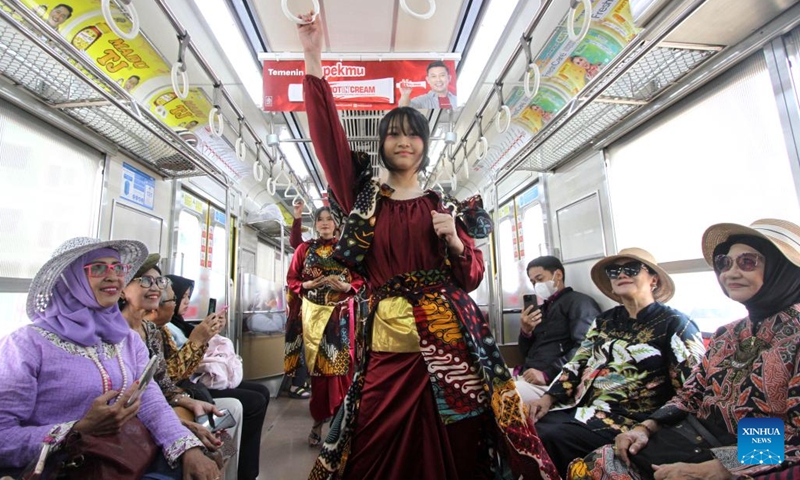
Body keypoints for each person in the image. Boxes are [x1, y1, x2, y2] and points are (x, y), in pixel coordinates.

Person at [298, 12, 557, 479]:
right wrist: (313, 55)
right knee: (372, 439)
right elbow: (326, 135)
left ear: (425, 143)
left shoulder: (447, 206)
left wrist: (456, 242)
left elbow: (472, 278)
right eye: (393, 133)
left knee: (456, 441)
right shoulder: (360, 198)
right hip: (386, 344)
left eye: (413, 133)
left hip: (449, 341)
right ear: (381, 144)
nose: (404, 141)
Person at [569, 219, 800, 480]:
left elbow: (795, 434)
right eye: (725, 263)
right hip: (693, 436)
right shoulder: (728, 333)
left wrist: (718, 469)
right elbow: (690, 394)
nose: (730, 273)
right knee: (594, 466)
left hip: (746, 454)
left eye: (748, 262)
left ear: (783, 269)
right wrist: (645, 427)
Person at [0, 237, 218, 479]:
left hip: (127, 457)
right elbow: (4, 435)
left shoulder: (126, 339)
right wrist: (76, 430)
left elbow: (150, 401)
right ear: (71, 280)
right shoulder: (26, 345)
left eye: (118, 267)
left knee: (215, 456)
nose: (113, 276)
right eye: (98, 268)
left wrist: (187, 448)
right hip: (63, 469)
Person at [527, 248, 705, 478]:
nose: (621, 274)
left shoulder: (675, 323)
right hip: (582, 408)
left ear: (653, 279)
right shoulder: (605, 321)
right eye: (614, 271)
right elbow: (577, 362)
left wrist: (650, 425)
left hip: (629, 420)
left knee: (549, 434)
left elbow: (691, 389)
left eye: (631, 269)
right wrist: (548, 398)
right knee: (526, 422)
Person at [119, 254, 236, 470]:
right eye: (145, 281)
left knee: (223, 445)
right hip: (138, 414)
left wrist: (187, 401)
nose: (155, 287)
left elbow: (163, 384)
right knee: (209, 449)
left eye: (159, 281)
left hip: (165, 402)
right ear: (122, 289)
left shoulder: (151, 331)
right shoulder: (115, 333)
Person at [166, 273, 270, 480]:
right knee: (244, 404)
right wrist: (197, 342)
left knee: (259, 393)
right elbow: (170, 377)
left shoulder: (173, 326)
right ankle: (239, 470)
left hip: (189, 389)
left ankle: (241, 468)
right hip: (188, 391)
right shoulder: (158, 331)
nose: (186, 302)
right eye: (180, 298)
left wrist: (205, 336)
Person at [149, 280, 244, 480]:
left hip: (182, 396)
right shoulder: (143, 334)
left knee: (225, 437)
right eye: (176, 299)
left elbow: (164, 382)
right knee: (224, 426)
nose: (179, 304)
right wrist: (197, 341)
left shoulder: (161, 330)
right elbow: (165, 380)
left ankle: (232, 472)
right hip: (173, 402)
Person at [285, 206, 364, 447]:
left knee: (344, 371)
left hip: (340, 318)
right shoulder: (304, 249)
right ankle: (318, 422)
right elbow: (292, 280)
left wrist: (347, 287)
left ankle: (340, 424)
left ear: (337, 224)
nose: (325, 223)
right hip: (313, 317)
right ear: (315, 223)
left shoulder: (347, 250)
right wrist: (306, 285)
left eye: (330, 219)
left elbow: (361, 279)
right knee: (318, 373)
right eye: (321, 219)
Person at [516, 256, 600, 402]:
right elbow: (527, 352)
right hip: (528, 373)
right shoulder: (543, 309)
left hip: (552, 381)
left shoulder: (580, 303)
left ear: (558, 275)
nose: (536, 285)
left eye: (540, 278)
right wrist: (526, 332)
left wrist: (547, 374)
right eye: (533, 281)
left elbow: (585, 347)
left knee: (499, 395)